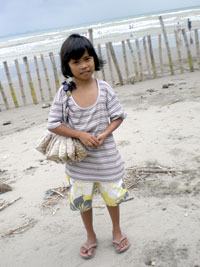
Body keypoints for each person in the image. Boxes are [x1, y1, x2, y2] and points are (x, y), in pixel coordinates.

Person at [47, 34, 130, 259]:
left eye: (87, 58)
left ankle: (116, 230)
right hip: (79, 162)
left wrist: (104, 134)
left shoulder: (104, 88)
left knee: (112, 198)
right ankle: (91, 236)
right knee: (83, 201)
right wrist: (80, 135)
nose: (84, 65)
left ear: (94, 59)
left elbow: (118, 116)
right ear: (67, 66)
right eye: (76, 62)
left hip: (107, 158)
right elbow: (53, 124)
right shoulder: (65, 92)